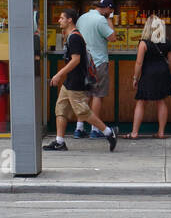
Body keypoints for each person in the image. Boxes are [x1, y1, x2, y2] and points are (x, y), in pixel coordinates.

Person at [44, 8, 117, 152]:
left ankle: (109, 132)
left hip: (76, 81)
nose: (59, 20)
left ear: (69, 20)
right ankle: (59, 141)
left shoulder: (75, 37)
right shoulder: (71, 36)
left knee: (83, 112)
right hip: (70, 81)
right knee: (61, 108)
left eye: (61, 18)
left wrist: (59, 74)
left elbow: (76, 60)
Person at [73, 0, 116, 139]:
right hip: (98, 61)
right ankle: (95, 129)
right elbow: (112, 37)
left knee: (84, 95)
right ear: (107, 9)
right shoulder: (101, 20)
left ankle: (79, 128)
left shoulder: (82, 18)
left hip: (83, 61)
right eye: (110, 10)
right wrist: (109, 19)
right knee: (97, 95)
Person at [128, 15, 171, 139]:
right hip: (163, 73)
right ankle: (161, 132)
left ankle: (134, 133)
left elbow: (139, 63)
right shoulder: (167, 42)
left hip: (148, 73)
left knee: (141, 101)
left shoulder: (144, 43)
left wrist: (135, 78)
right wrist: (165, 72)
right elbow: (170, 61)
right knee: (161, 101)